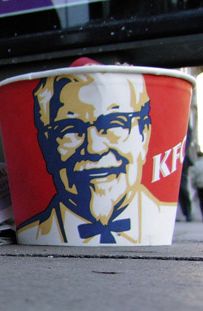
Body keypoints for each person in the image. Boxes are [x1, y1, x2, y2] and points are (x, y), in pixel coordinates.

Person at [18, 71, 176, 245]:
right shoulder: (31, 233)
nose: (95, 148)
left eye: (114, 123)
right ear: (46, 146)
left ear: (143, 136)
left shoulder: (165, 218)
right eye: (70, 129)